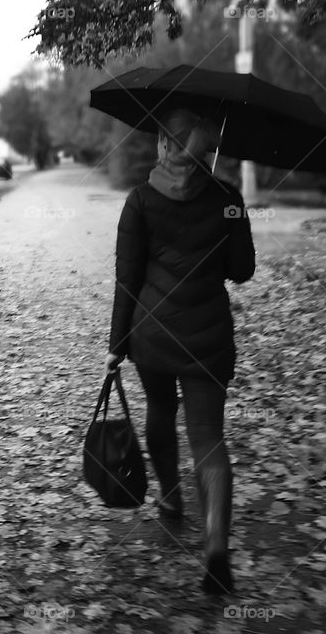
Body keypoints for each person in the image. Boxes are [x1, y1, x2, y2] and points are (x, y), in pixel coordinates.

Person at [106, 107, 255, 595]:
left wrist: (116, 345)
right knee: (208, 437)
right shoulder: (228, 199)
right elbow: (242, 270)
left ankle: (171, 497)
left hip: (152, 336)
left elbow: (126, 279)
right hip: (208, 336)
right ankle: (216, 547)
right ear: (205, 151)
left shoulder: (140, 201)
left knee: (160, 411)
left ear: (166, 146)